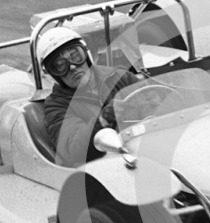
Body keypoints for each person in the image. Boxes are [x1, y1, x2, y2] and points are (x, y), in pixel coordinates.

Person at [39, 26, 139, 167]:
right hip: (105, 168)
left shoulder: (120, 77)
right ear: (54, 74)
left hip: (144, 148)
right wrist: (104, 119)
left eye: (75, 56)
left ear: (86, 55)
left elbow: (162, 103)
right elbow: (71, 150)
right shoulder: (56, 105)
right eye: (60, 65)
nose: (73, 67)